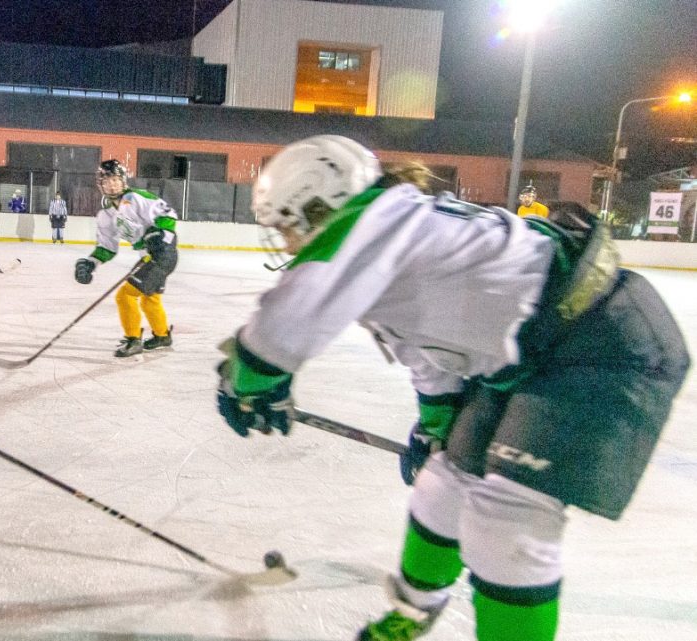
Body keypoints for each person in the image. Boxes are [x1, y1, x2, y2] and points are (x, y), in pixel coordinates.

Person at [213, 135, 689, 641]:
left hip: (603, 349)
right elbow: (428, 350)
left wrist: (249, 380)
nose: (286, 242)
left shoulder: (372, 227)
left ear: (317, 202)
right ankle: (415, 611)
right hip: (534, 352)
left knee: (507, 521)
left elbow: (286, 322)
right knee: (442, 484)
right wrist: (435, 425)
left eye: (288, 226)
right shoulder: (393, 235)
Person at [74, 159, 177, 357]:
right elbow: (107, 248)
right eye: (107, 181)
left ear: (123, 181)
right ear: (100, 185)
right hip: (149, 257)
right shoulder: (105, 215)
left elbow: (168, 214)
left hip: (164, 254)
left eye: (115, 179)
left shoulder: (135, 197)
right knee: (150, 299)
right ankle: (162, 336)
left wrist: (159, 235)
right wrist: (91, 263)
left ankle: (133, 340)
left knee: (125, 295)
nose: (112, 184)